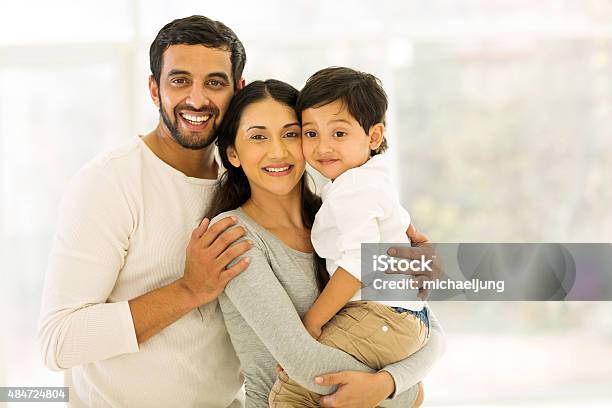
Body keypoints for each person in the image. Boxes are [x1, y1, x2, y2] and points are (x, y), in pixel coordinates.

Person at [37, 16, 252, 407]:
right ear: (155, 89)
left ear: (238, 91)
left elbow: (339, 244)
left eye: (215, 83)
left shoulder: (251, 178)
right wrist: (189, 289)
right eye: (180, 80)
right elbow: (58, 340)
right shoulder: (108, 182)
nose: (198, 99)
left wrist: (397, 251)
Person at [206, 79, 445, 408]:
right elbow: (302, 362)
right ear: (233, 152)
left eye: (291, 134)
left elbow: (430, 330)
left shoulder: (337, 217)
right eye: (258, 136)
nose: (278, 151)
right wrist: (401, 390)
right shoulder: (233, 234)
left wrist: (388, 383)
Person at [266, 66, 432, 407]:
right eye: (310, 134)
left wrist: (312, 323)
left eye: (338, 133)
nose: (323, 146)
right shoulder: (370, 179)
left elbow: (359, 263)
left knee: (292, 390)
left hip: (382, 316)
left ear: (373, 136)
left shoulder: (353, 189)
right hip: (405, 318)